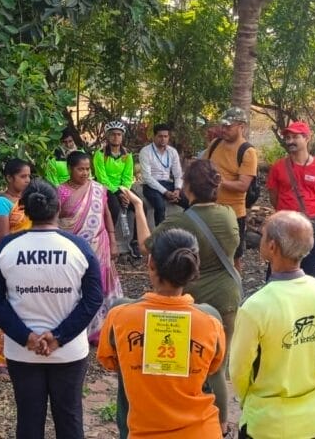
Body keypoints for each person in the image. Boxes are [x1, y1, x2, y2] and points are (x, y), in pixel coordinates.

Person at [0, 179, 103, 439]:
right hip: (68, 351)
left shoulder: (6, 248)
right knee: (70, 419)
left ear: (23, 208)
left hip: (22, 351)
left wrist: (25, 336)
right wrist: (59, 337)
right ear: (58, 207)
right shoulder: (79, 248)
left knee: (28, 420)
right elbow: (93, 299)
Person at [97, 228, 228, 438]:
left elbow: (110, 361)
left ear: (151, 263)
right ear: (193, 266)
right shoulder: (210, 320)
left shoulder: (119, 316)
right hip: (202, 431)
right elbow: (214, 371)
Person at [230, 211, 315, 439]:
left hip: (267, 422)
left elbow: (238, 369)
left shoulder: (256, 306)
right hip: (312, 420)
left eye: (263, 235)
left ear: (272, 246)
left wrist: (249, 398)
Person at [136, 160, 240, 350]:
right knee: (219, 359)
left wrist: (137, 207)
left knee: (188, 359)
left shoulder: (179, 221)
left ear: (187, 188)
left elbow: (145, 246)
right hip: (228, 297)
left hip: (194, 300)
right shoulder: (229, 214)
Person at [57, 151, 123, 342]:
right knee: (75, 286)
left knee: (99, 283)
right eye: (80, 169)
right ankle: (77, 329)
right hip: (72, 248)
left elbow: (106, 214)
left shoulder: (98, 189)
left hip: (99, 245)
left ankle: (101, 330)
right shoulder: (60, 191)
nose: (85, 173)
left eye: (88, 169)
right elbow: (56, 219)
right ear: (70, 169)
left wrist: (113, 240)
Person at [265, 121, 315, 276]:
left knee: (308, 271)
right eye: (288, 138)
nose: (290, 141)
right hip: (283, 227)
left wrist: (310, 212)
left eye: (295, 137)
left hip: (308, 228)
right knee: (277, 269)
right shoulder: (278, 167)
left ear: (307, 138)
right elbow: (273, 197)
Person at [0, 158, 33, 382]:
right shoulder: (2, 203)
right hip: (12, 261)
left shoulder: (30, 200)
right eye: (23, 176)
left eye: (29, 176)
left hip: (34, 260)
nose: (27, 180)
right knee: (12, 308)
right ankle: (1, 361)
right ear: (9, 178)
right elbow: (3, 238)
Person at [206, 107, 258, 268]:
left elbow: (243, 185)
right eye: (223, 125)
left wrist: (220, 182)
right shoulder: (215, 143)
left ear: (241, 127)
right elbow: (204, 165)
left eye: (228, 126)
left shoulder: (247, 151)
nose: (223, 129)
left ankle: (235, 283)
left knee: (233, 257)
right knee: (208, 253)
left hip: (233, 214)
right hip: (209, 208)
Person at [93, 120, 138, 257]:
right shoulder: (100, 154)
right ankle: (106, 241)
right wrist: (117, 192)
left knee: (140, 206)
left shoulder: (127, 154)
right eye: (113, 134)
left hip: (122, 188)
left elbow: (128, 175)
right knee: (114, 208)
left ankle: (135, 242)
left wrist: (125, 191)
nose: (116, 137)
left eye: (119, 134)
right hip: (106, 188)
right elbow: (102, 178)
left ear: (122, 136)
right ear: (107, 136)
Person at [139, 123, 185, 226]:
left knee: (189, 201)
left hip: (167, 183)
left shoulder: (172, 152)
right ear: (154, 137)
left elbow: (178, 174)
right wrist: (165, 192)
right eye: (160, 136)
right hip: (150, 186)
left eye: (165, 136)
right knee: (160, 207)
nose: (163, 139)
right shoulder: (145, 151)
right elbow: (147, 177)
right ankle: (160, 234)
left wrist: (177, 189)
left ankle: (185, 229)